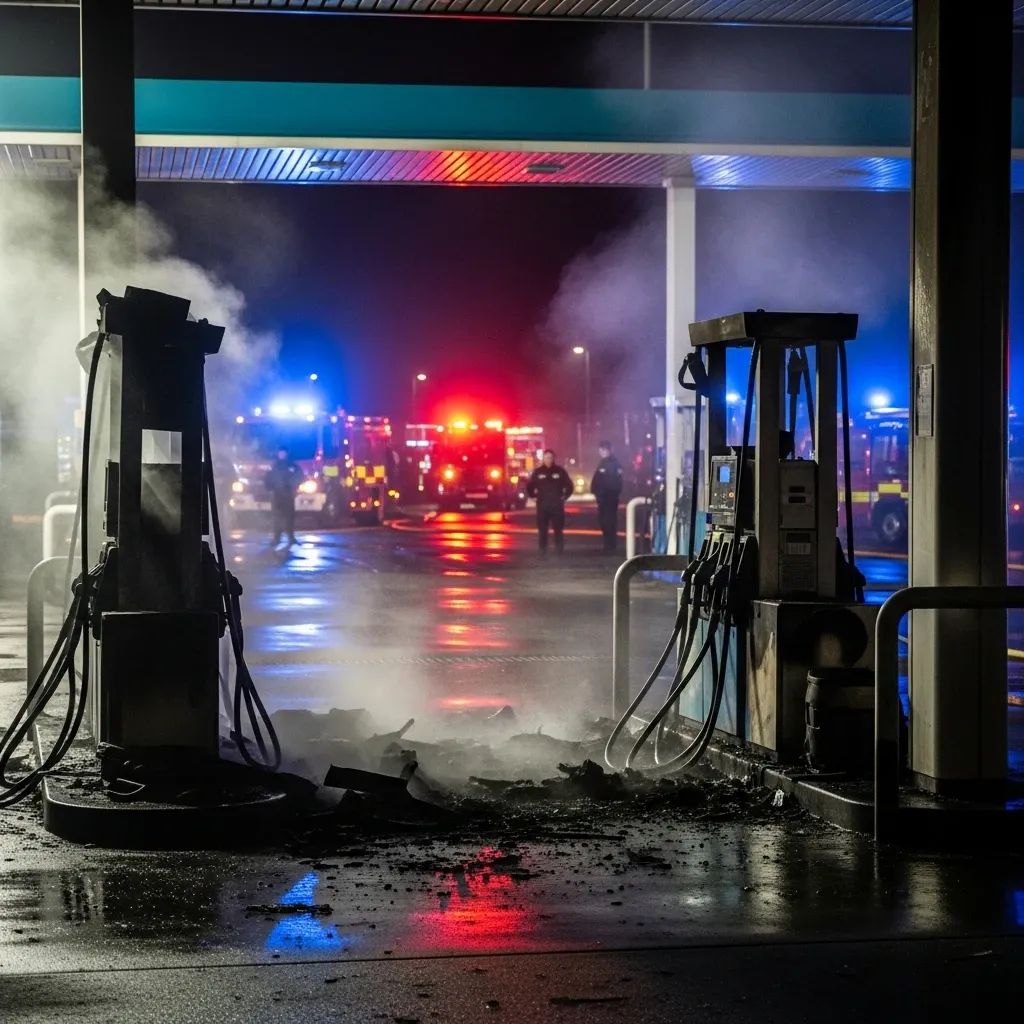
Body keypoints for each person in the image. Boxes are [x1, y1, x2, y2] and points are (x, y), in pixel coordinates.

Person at [525, 449, 574, 556]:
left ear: (554, 458)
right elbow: (529, 486)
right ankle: (543, 551)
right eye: (547, 457)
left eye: (551, 458)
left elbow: (570, 486)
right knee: (542, 530)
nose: (549, 460)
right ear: (543, 458)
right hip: (542, 506)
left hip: (557, 506)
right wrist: (533, 497)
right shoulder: (538, 472)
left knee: (558, 529)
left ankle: (559, 550)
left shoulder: (560, 471)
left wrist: (564, 497)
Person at [590, 440, 624, 553]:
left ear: (609, 450)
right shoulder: (602, 463)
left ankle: (610, 545)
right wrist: (595, 491)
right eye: (601, 450)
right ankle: (607, 544)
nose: (602, 452)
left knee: (609, 521)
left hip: (609, 498)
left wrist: (608, 494)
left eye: (604, 450)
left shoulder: (614, 464)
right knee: (603, 521)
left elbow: (616, 482)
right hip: (602, 498)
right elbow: (597, 479)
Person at [265, 446, 301, 546]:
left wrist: (293, 486)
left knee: (289, 517)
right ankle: (276, 538)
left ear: (286, 454)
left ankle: (291, 537)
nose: (282, 455)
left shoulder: (292, 465)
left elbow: (299, 476)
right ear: (278, 453)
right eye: (280, 453)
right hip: (277, 495)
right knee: (277, 518)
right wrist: (269, 488)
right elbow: (268, 478)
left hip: (288, 494)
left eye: (283, 453)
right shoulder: (274, 465)